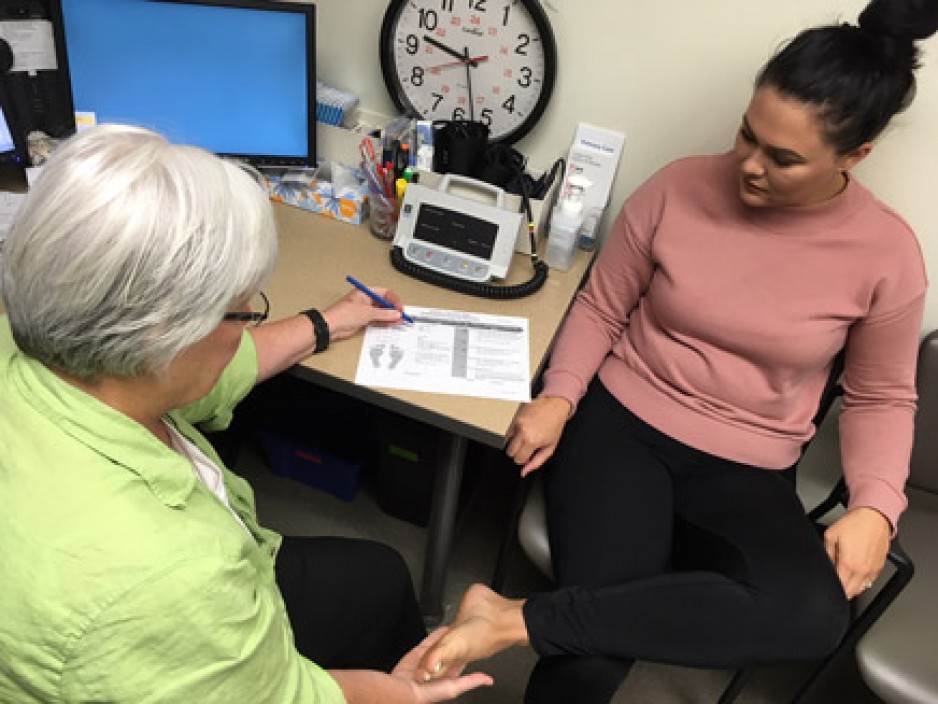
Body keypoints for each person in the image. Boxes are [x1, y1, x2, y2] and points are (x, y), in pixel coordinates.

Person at [417, 0, 938, 701]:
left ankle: (512, 619)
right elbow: (603, 304)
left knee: (812, 616)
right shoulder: (679, 186)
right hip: (622, 429)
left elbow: (882, 395)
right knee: (590, 661)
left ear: (855, 156)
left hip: (751, 463)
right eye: (746, 136)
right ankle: (532, 624)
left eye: (782, 159)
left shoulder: (887, 255)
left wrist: (876, 506)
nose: (749, 167)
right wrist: (560, 395)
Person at [0, 124, 492, 703]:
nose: (245, 327)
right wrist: (402, 695)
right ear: (162, 337)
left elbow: (211, 374)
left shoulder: (62, 352)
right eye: (241, 313)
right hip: (178, 625)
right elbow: (284, 696)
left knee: (380, 576)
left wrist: (327, 322)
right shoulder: (170, 575)